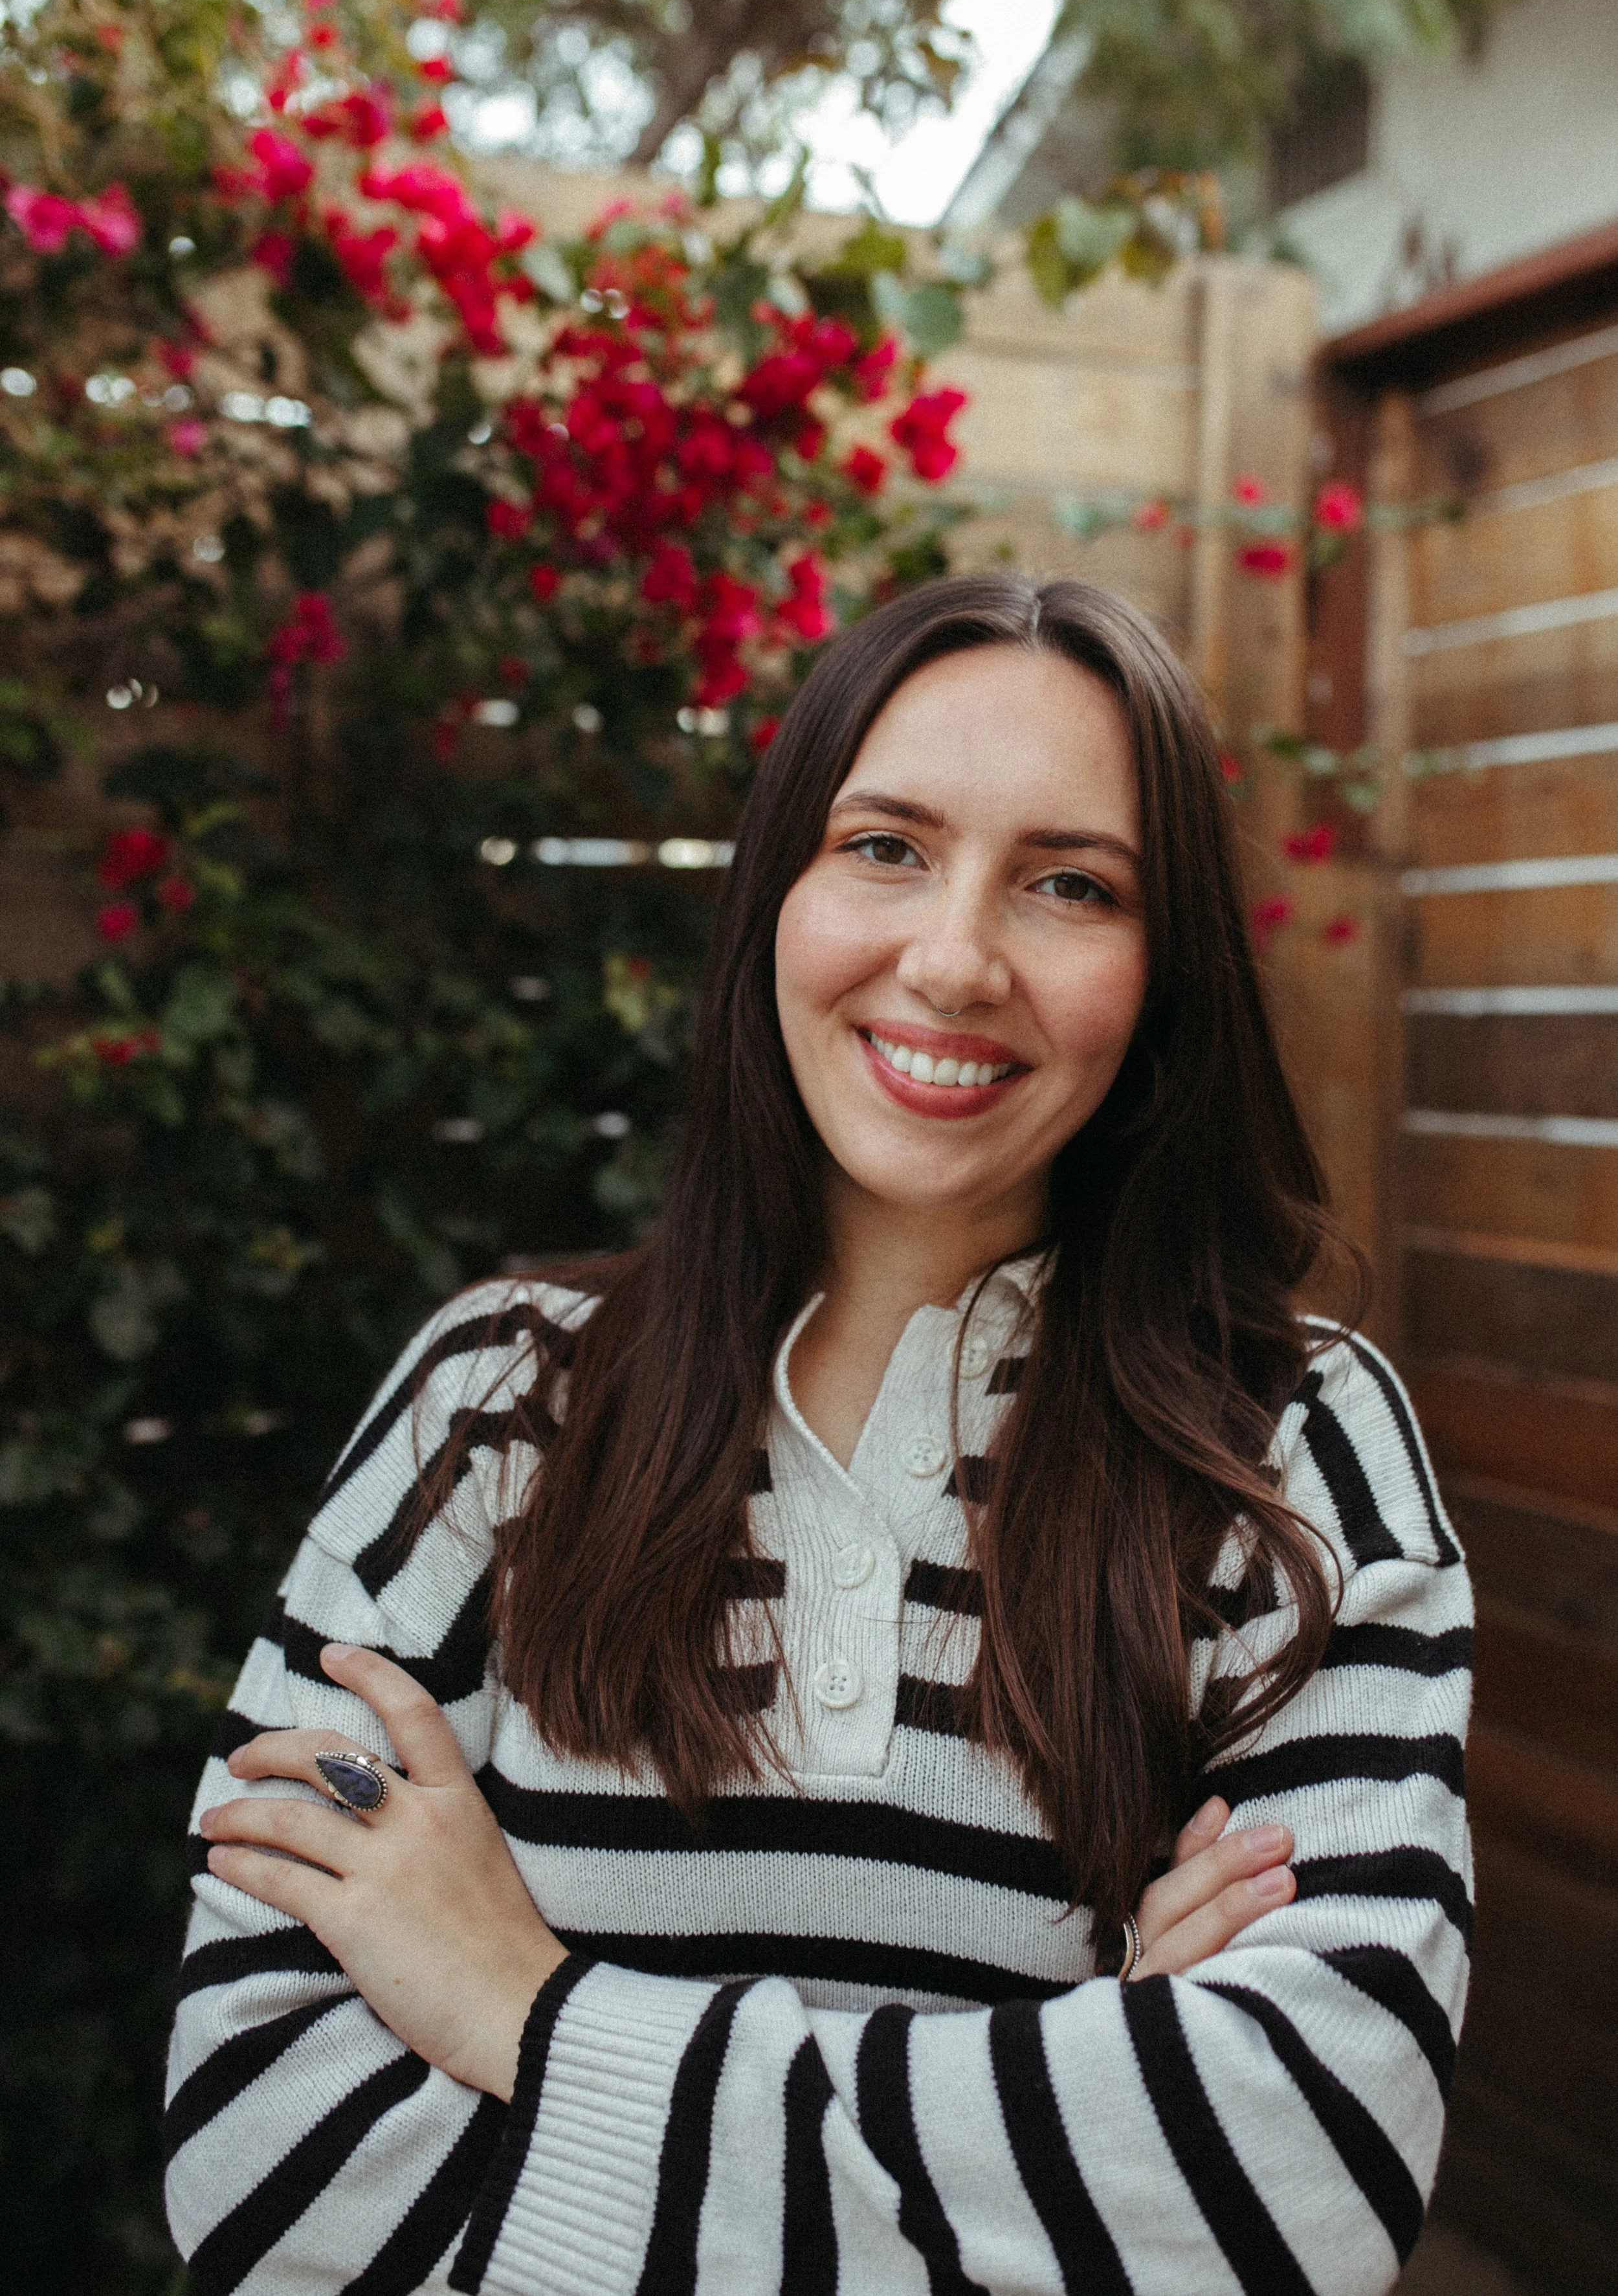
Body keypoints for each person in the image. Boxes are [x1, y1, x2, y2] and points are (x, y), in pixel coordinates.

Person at [167, 575, 1471, 2296]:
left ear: (1163, 979)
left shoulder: (1291, 1452)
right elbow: (257, 2160)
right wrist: (1073, 2103)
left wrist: (523, 2011)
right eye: (883, 846)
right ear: (775, 887)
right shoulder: (492, 1405)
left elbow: (1293, 2177)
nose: (951, 957)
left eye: (1070, 883)